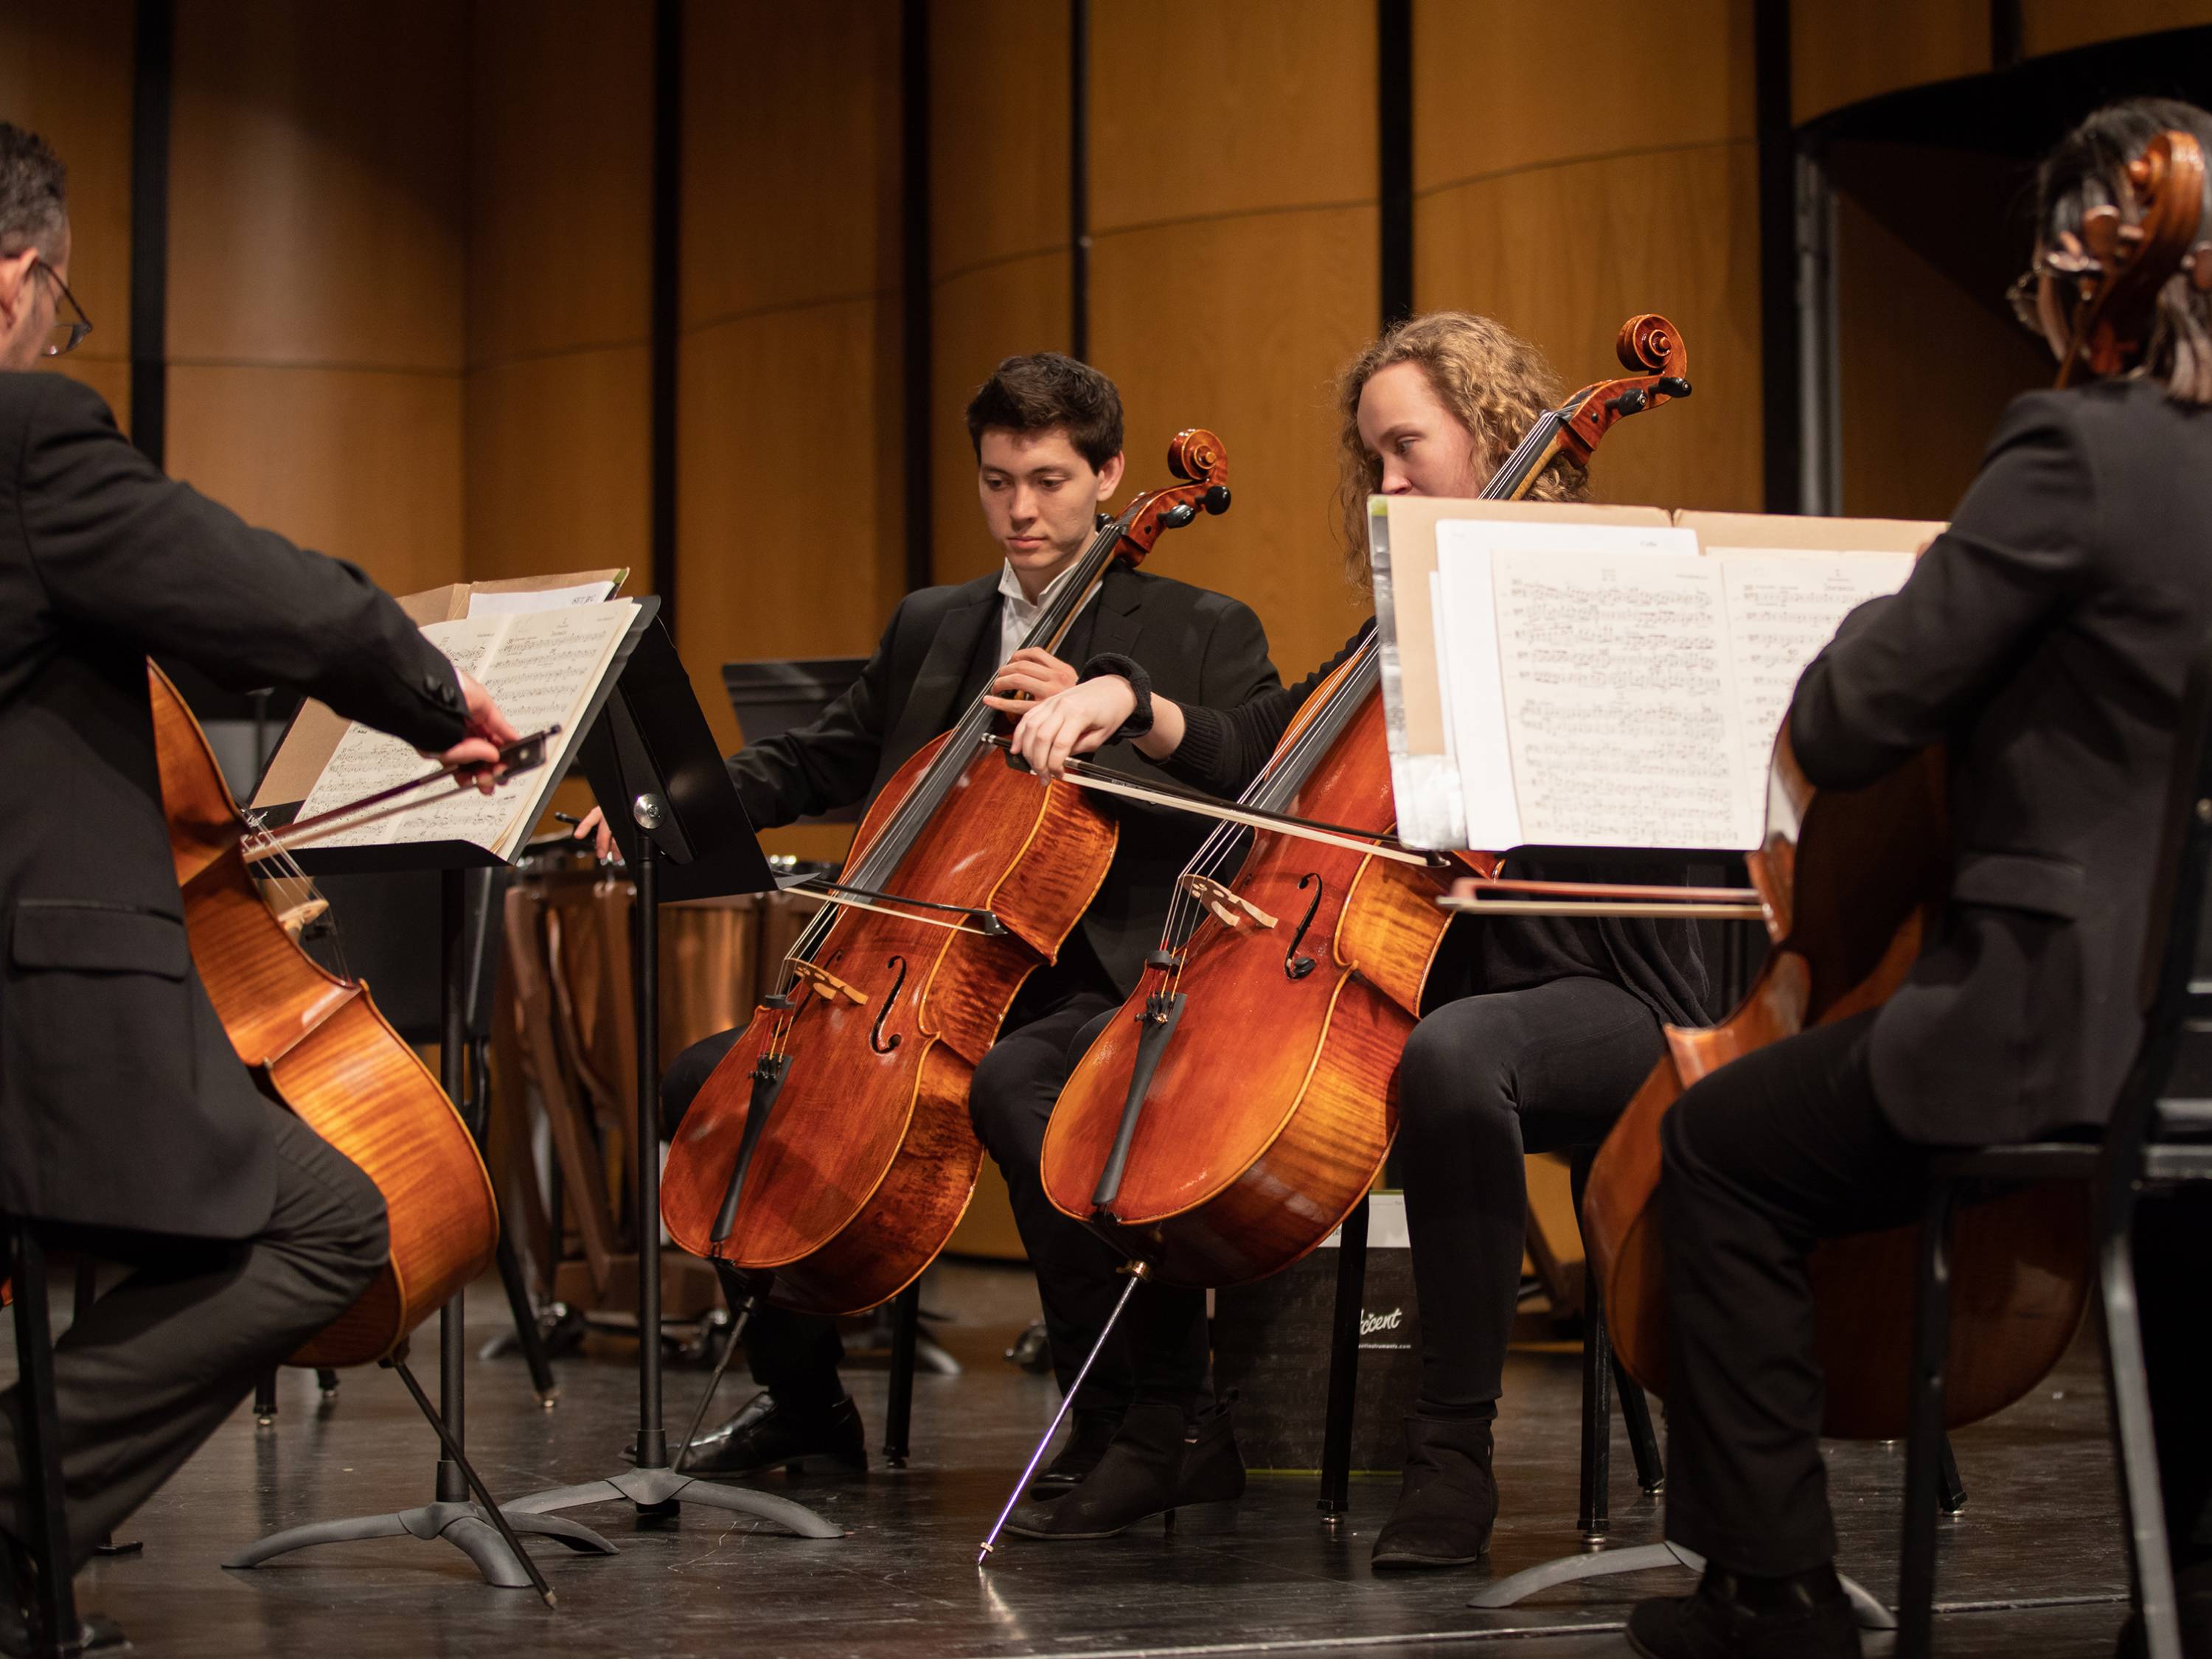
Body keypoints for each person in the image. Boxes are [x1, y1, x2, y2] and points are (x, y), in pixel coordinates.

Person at [1620, 98, 2212, 1659]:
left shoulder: (2075, 447)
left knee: (1725, 1152)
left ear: (2085, 279)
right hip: (2193, 1031)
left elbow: (1852, 715)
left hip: (2055, 1027)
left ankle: (1772, 1594)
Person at [993, 311, 1707, 1551]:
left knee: (1454, 1059)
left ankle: (1453, 1457)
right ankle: (1158, 1423)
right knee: (1038, 1072)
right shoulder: (1401, 628)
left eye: (1404, 448)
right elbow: (1273, 735)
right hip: (1413, 967)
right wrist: (1139, 701)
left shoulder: (1604, 588)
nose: (1383, 483)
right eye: (1370, 458)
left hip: (1604, 976)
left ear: (1491, 432)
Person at [0, 122, 519, 1655]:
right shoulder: (24, 437)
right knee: (318, 1224)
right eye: (63, 302)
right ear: (20, 278)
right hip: (38, 1010)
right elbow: (250, 587)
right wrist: (435, 697)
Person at [579, 352, 1279, 1481]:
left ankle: (1130, 1427)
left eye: (1049, 479)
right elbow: (823, 760)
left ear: (1108, 473)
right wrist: (666, 811)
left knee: (1027, 1098)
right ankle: (806, 1404)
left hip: (1104, 975)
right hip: (922, 976)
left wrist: (1113, 723)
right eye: (999, 480)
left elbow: (1245, 801)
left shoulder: (1202, 626)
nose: (1021, 510)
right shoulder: (937, 625)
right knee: (705, 1087)